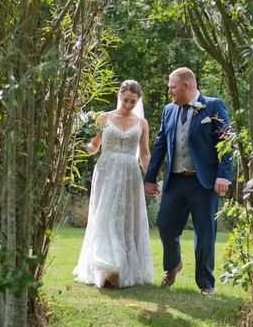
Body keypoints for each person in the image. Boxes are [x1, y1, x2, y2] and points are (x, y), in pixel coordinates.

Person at [144, 67, 233, 296]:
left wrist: (224, 175)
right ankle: (172, 266)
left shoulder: (213, 105)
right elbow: (160, 144)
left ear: (187, 86)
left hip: (203, 183)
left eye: (172, 87)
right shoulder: (168, 110)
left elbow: (225, 141)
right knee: (165, 225)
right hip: (175, 181)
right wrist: (150, 178)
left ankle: (205, 283)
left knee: (205, 233)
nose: (169, 91)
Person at [73, 80, 154, 289]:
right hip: (106, 171)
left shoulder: (141, 123)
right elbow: (94, 146)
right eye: (125, 100)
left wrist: (150, 178)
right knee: (104, 215)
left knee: (125, 219)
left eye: (133, 102)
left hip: (130, 173)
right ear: (119, 96)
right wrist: (80, 146)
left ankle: (121, 267)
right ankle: (105, 266)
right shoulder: (104, 118)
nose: (128, 105)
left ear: (138, 101)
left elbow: (144, 155)